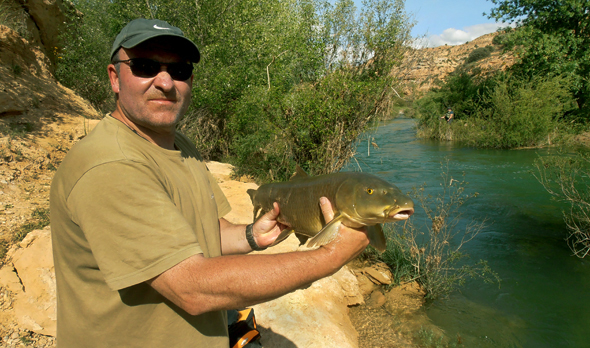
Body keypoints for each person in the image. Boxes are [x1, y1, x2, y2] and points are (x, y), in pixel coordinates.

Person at [49, 18, 370, 348]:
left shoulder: (178, 145)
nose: (165, 82)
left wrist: (250, 235)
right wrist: (330, 256)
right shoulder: (110, 166)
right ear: (115, 78)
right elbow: (193, 288)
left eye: (179, 70)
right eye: (145, 66)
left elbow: (206, 230)